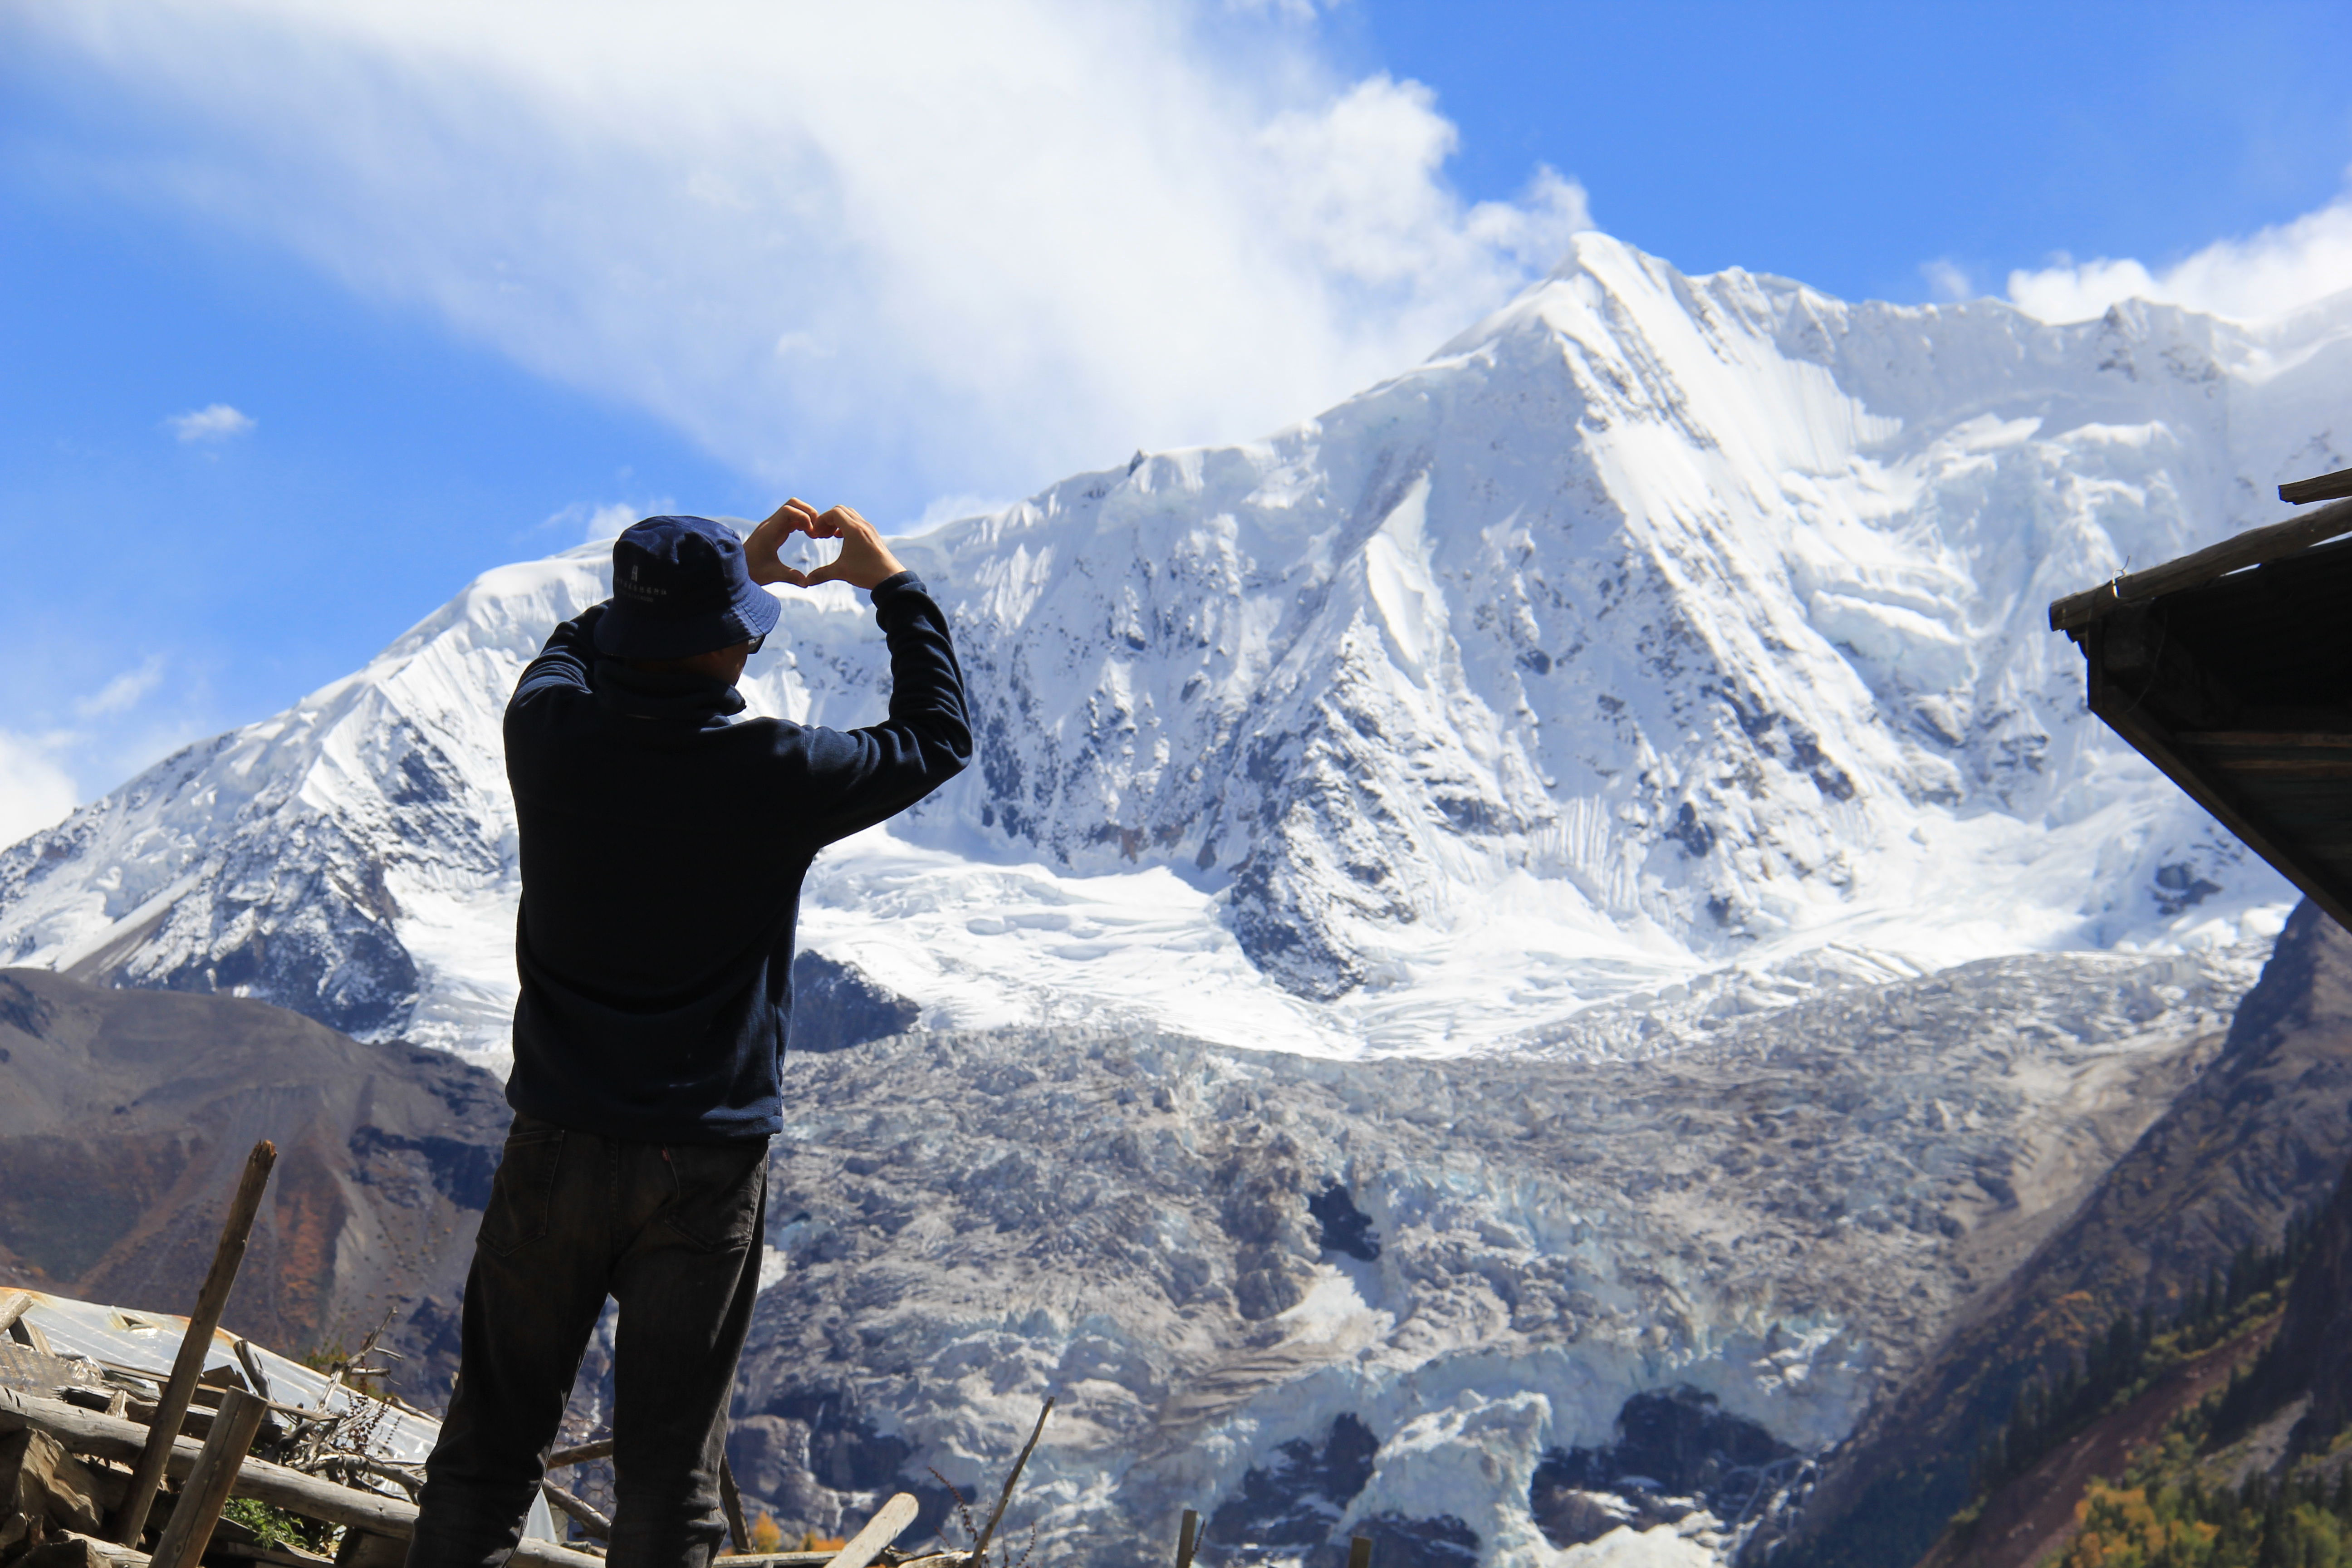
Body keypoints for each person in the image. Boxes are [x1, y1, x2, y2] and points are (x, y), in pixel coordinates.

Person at [407, 501, 970, 1567]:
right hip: (704, 1163)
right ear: (726, 645)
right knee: (670, 1485)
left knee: (488, 1459)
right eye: (745, 626)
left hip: (556, 1141)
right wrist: (891, 585)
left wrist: (691, 593)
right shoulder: (776, 771)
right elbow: (936, 736)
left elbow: (565, 652)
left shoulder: (548, 736)